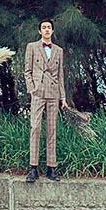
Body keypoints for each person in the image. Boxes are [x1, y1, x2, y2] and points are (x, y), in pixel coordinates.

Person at [24, 19, 67, 182]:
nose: (47, 30)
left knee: (52, 129)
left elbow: (61, 75)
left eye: (49, 27)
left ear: (53, 31)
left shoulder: (59, 50)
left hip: (53, 92)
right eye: (44, 27)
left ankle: (51, 168)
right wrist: (32, 89)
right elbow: (27, 71)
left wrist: (63, 97)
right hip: (38, 92)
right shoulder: (32, 47)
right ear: (40, 31)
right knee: (35, 127)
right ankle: (33, 168)